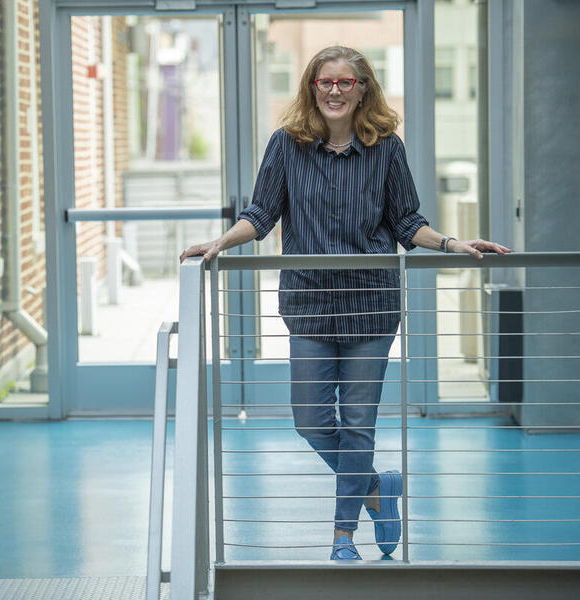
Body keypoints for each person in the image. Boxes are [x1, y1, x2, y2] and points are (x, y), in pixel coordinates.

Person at [180, 45, 511, 560]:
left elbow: (406, 222)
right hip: (309, 306)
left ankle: (342, 538)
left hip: (371, 307)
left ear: (363, 90)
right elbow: (262, 213)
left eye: (345, 82)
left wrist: (454, 244)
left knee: (359, 424)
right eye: (325, 82)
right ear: (312, 87)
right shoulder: (286, 145)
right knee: (310, 420)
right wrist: (221, 242)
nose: (334, 91)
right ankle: (377, 490)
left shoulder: (387, 149)